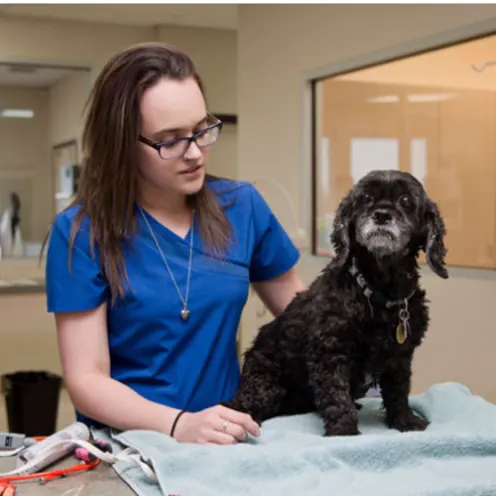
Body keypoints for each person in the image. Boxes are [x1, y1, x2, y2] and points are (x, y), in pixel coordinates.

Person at [44, 42, 305, 445]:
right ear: (122, 143)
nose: (195, 152)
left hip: (224, 438)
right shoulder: (82, 233)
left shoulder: (242, 207)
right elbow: (86, 380)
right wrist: (178, 424)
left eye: (202, 129)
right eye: (171, 140)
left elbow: (307, 323)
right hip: (129, 446)